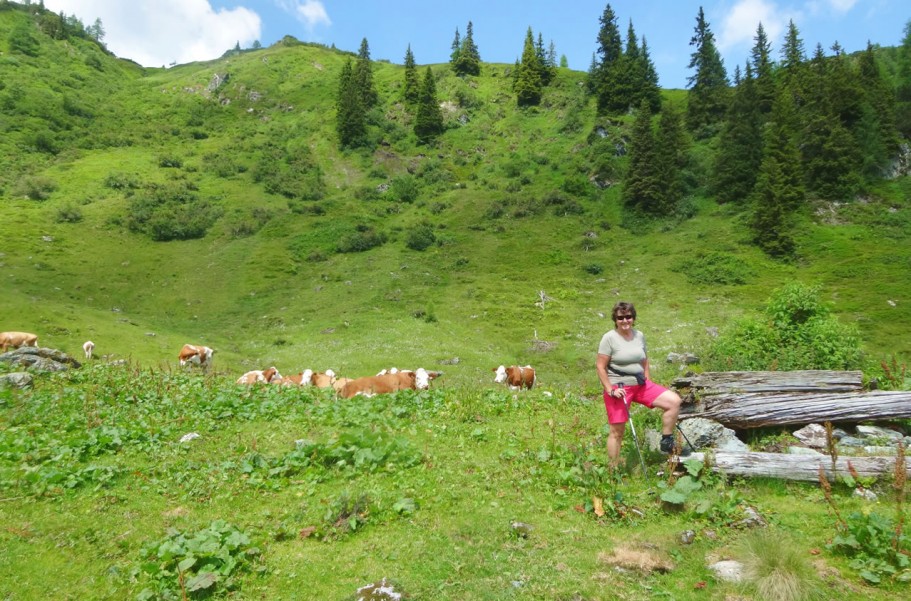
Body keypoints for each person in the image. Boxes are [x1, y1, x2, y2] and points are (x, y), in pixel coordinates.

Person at [596, 301, 682, 466]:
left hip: (641, 385)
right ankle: (613, 469)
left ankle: (666, 440)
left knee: (674, 401)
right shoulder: (609, 338)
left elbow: (644, 359)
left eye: (628, 317)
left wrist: (647, 379)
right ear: (615, 319)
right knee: (617, 431)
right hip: (619, 388)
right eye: (621, 317)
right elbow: (600, 366)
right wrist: (610, 390)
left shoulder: (639, 336)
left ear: (633, 318)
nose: (625, 321)